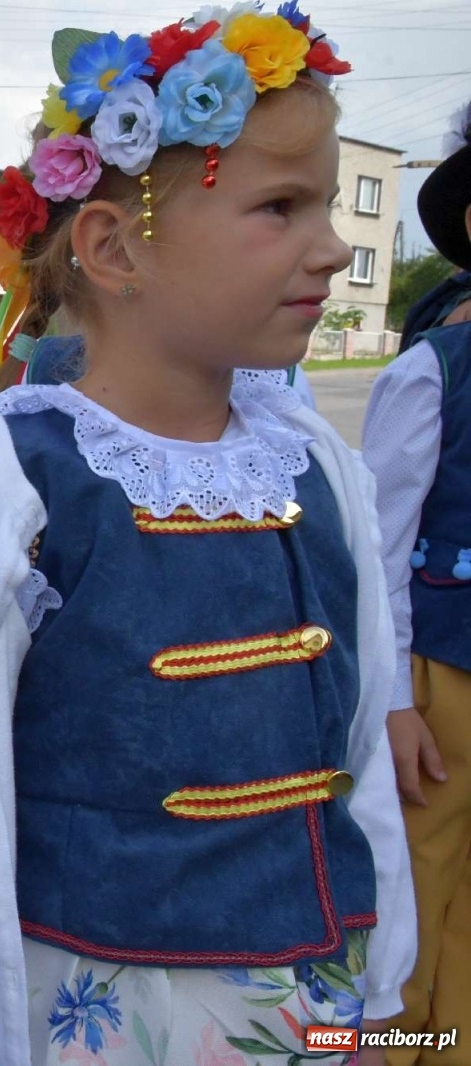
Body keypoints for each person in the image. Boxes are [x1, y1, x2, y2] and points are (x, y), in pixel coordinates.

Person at [0, 7, 415, 1063]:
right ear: (112, 249)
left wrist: (382, 1000)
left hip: (312, 986)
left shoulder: (317, 466)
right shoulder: (13, 484)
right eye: (279, 207)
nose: (333, 248)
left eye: (327, 206)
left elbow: (358, 758)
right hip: (93, 1007)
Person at [362, 96, 471, 1065]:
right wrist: (394, 700)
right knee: (416, 889)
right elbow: (379, 547)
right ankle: (399, 1048)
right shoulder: (435, 370)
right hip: (444, 684)